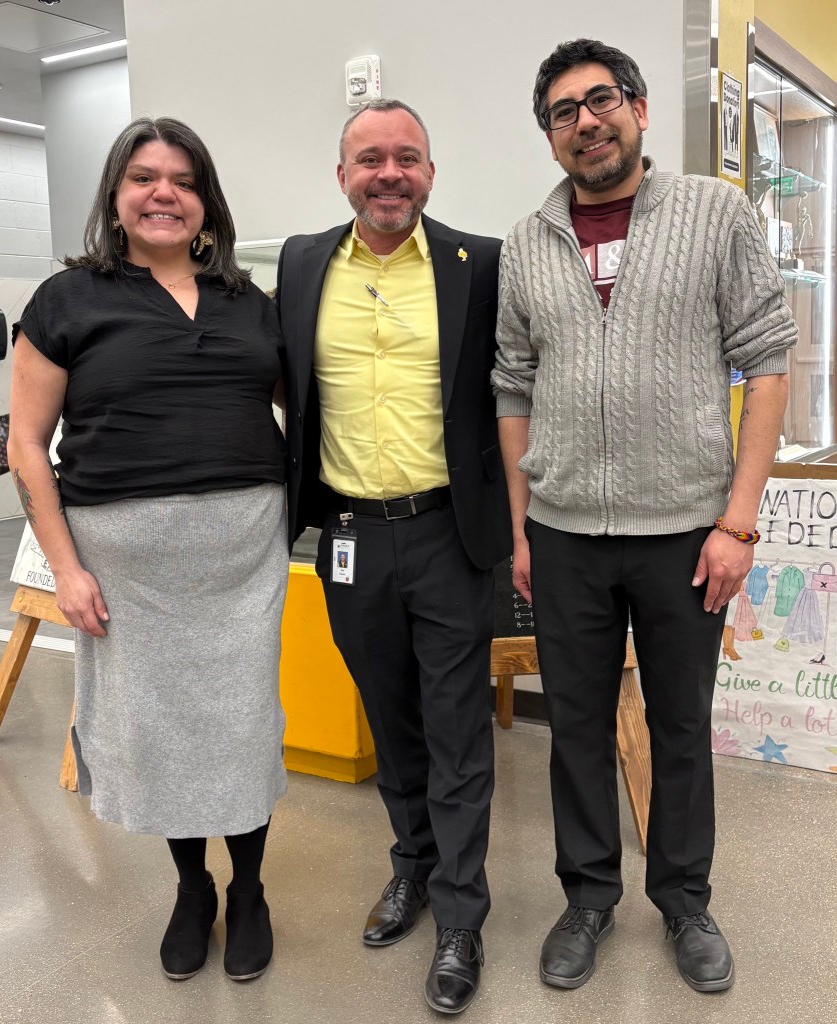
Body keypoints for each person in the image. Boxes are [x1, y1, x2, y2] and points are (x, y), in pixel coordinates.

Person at [493, 39, 797, 994]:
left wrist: (737, 524)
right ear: (549, 137)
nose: (586, 122)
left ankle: (684, 899)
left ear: (639, 109)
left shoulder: (713, 213)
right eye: (563, 112)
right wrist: (522, 528)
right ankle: (588, 897)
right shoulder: (526, 242)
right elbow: (512, 386)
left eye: (602, 100)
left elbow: (769, 363)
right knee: (575, 728)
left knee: (679, 727)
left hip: (685, 533)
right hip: (565, 533)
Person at [7, 117, 288, 983]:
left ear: (206, 202)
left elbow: (307, 400)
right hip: (128, 568)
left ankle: (249, 890)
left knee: (241, 727)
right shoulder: (66, 300)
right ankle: (192, 888)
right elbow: (26, 445)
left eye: (183, 180)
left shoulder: (249, 301)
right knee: (161, 734)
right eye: (143, 177)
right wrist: (65, 570)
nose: (164, 193)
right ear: (116, 195)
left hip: (244, 557)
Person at [277, 99, 510, 1014]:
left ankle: (460, 916)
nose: (389, 174)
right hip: (347, 536)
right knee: (390, 716)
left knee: (457, 729)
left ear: (431, 173)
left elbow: (516, 390)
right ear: (342, 176)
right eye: (370, 158)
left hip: (450, 532)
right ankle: (411, 864)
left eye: (407, 157)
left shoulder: (479, 263)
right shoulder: (301, 262)